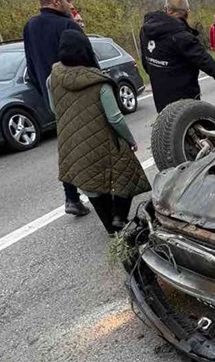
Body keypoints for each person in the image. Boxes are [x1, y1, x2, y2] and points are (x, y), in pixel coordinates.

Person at [47, 29, 150, 237]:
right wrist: (130, 140)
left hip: (70, 142)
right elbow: (114, 118)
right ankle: (119, 217)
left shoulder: (52, 78)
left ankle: (110, 228)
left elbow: (53, 109)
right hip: (102, 140)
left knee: (90, 182)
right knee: (127, 172)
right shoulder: (99, 82)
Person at [23, 0, 91, 217]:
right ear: (55, 0)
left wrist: (44, 90)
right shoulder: (67, 26)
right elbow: (90, 64)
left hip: (52, 97)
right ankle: (104, 194)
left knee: (68, 145)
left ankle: (71, 196)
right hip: (80, 96)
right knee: (95, 140)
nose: (72, 5)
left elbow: (31, 67)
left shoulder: (30, 27)